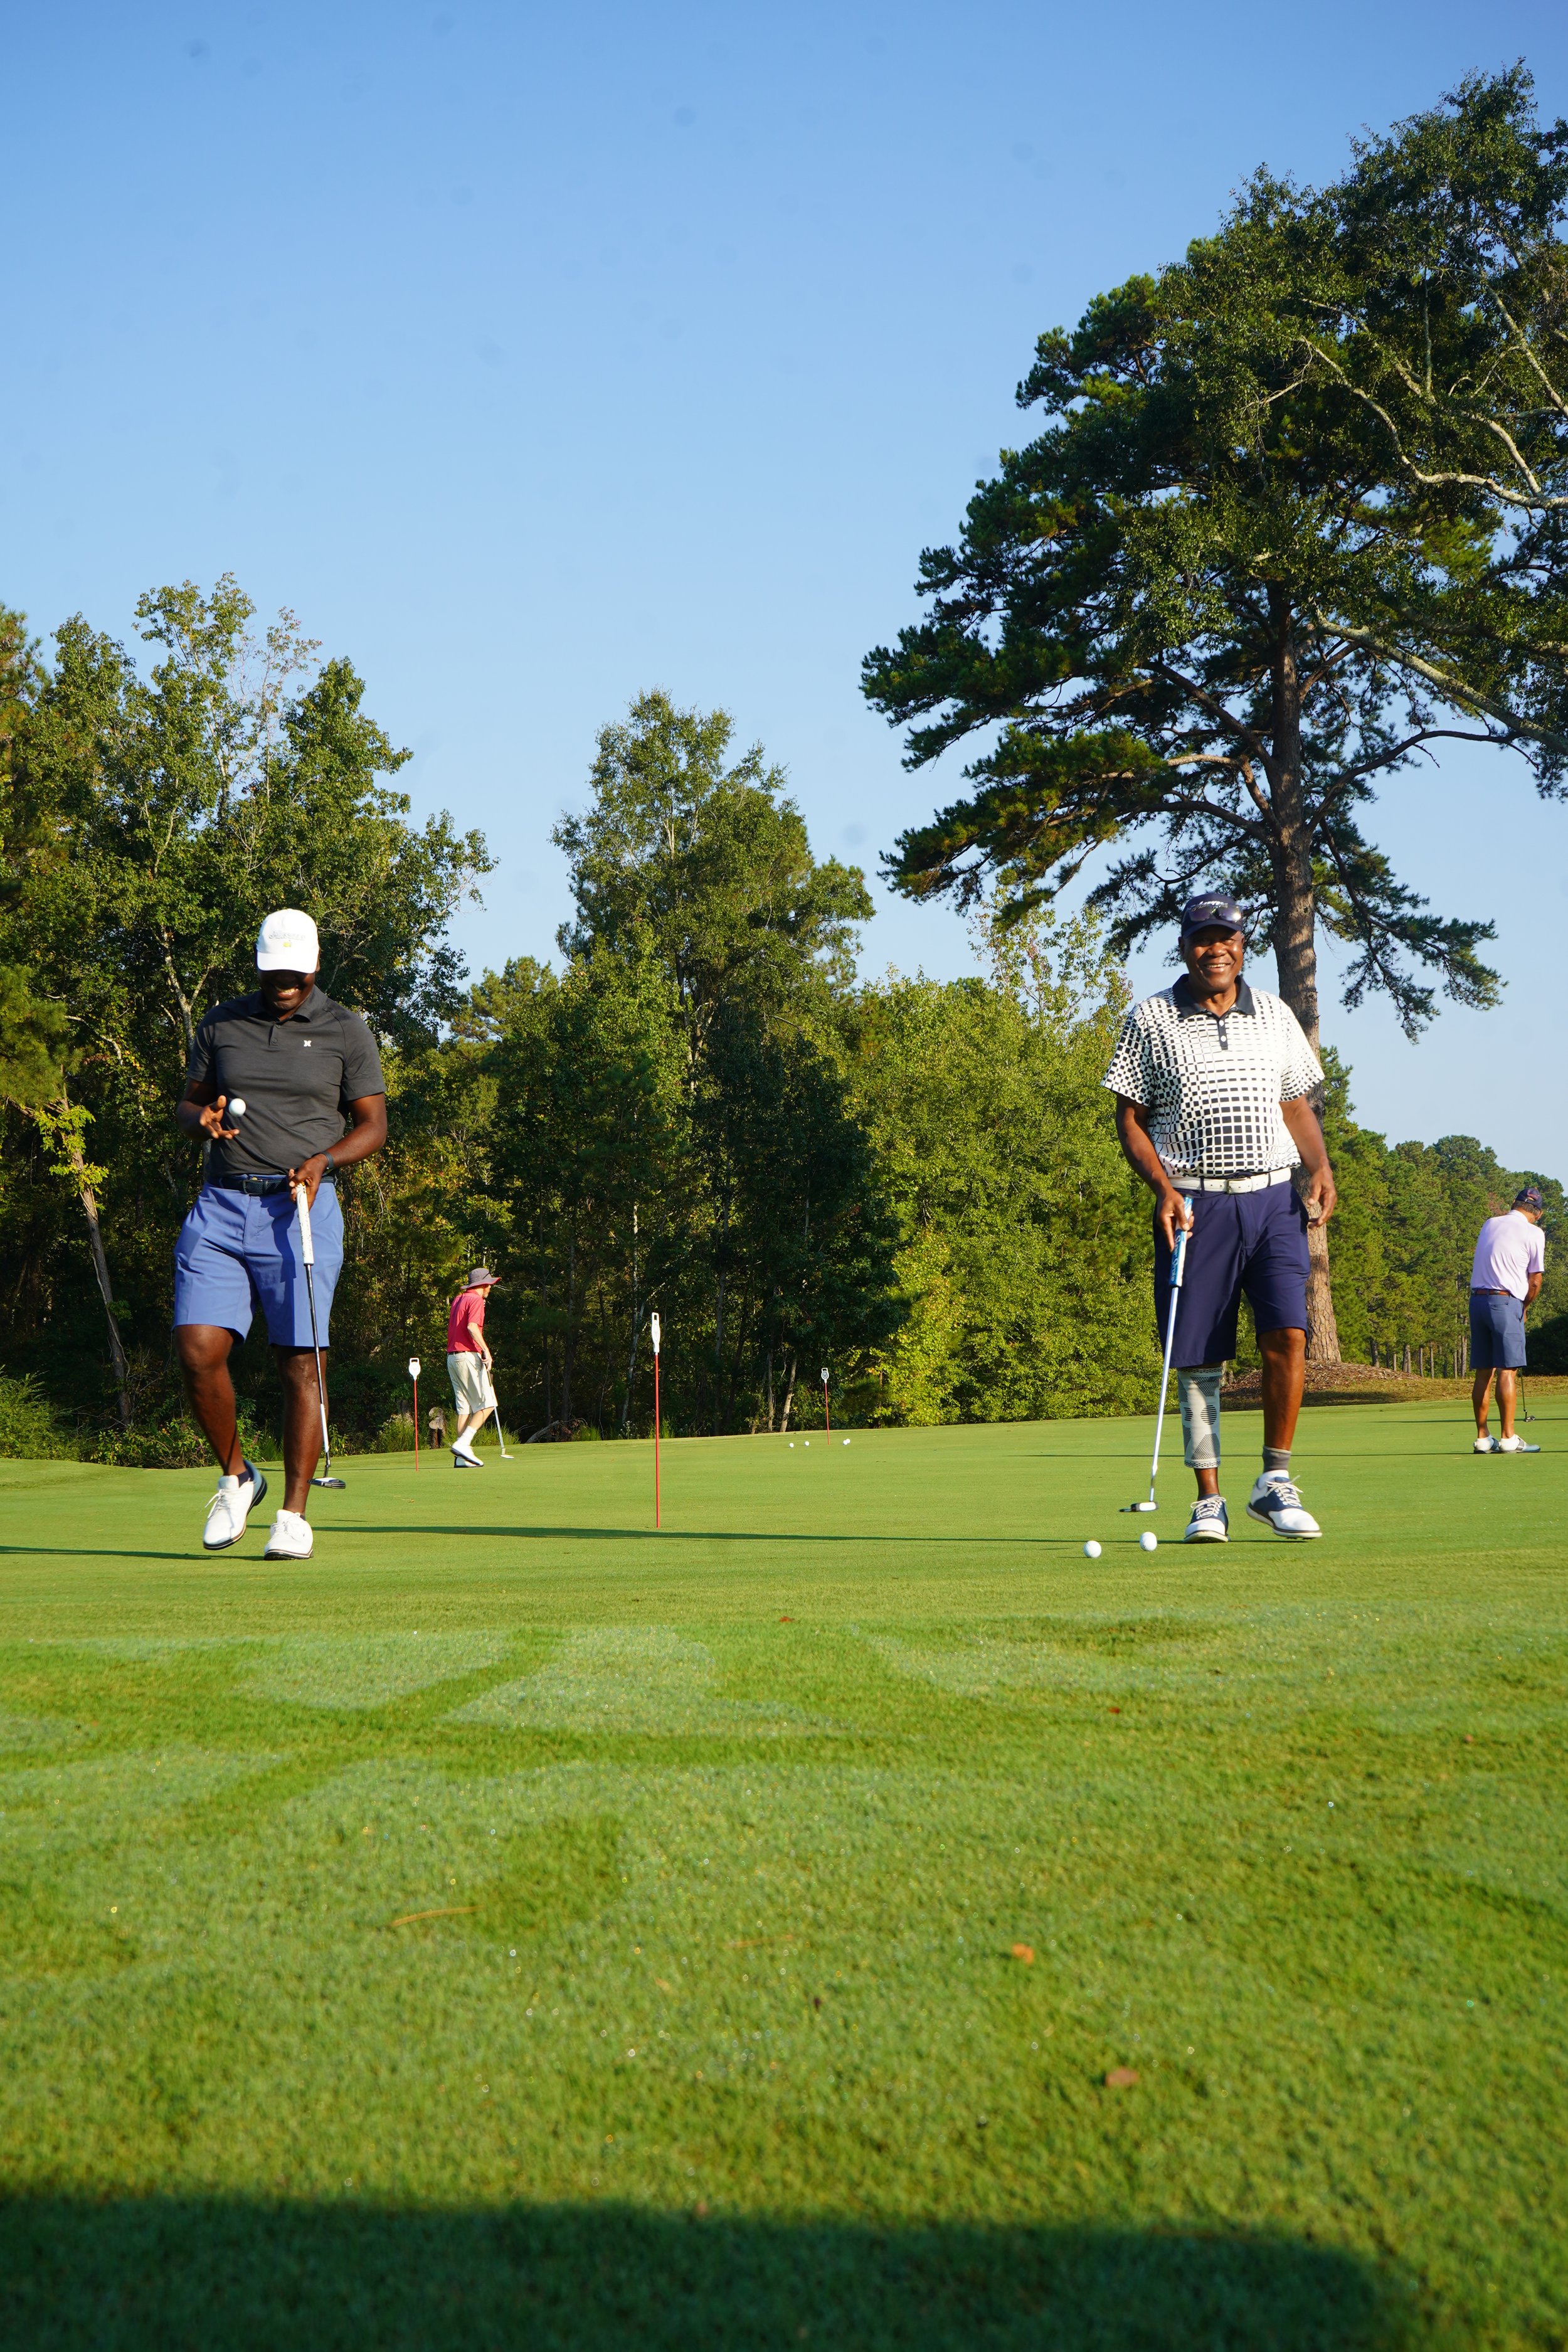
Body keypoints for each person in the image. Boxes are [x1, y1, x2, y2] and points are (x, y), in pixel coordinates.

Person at [1104, 894, 1338, 1542]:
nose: (1216, 949)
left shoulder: (1275, 1014)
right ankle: (1209, 1500)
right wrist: (1160, 1187)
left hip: (1273, 1200)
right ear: (1185, 946)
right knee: (1200, 1356)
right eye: (1203, 938)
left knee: (1289, 1335)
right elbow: (1129, 1119)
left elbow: (1296, 1105)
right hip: (1194, 1203)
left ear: (1242, 946)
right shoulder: (1151, 1018)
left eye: (1226, 938)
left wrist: (1319, 1167)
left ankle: (1274, 1482)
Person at [172, 909, 388, 1559]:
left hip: (300, 1209)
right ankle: (238, 1476)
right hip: (221, 1206)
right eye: (274, 973)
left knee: (301, 1362)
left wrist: (329, 1159)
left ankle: (293, 1513)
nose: (284, 984)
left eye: (295, 974)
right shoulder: (221, 1022)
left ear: (314, 966)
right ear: (260, 965)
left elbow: (373, 1125)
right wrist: (200, 1117)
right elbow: (189, 1103)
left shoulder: (346, 1030)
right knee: (197, 1349)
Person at [1469, 1187, 1545, 1454]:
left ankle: (1482, 1438)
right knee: (1507, 1370)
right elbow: (1535, 1280)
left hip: (1477, 1301)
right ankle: (1509, 1438)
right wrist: (1523, 1306)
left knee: (1483, 1371)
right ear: (1539, 1213)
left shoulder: (1490, 1223)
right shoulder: (1535, 1232)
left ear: (1514, 1204)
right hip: (1505, 1301)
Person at [446, 1268, 499, 1466]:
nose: (490, 1289)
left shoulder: (459, 1299)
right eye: (490, 1286)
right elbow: (471, 1327)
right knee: (488, 1403)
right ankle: (464, 1444)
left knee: (465, 1408)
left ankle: (461, 1458)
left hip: (452, 1358)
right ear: (483, 1286)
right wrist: (486, 1350)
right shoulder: (476, 1300)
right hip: (468, 1356)